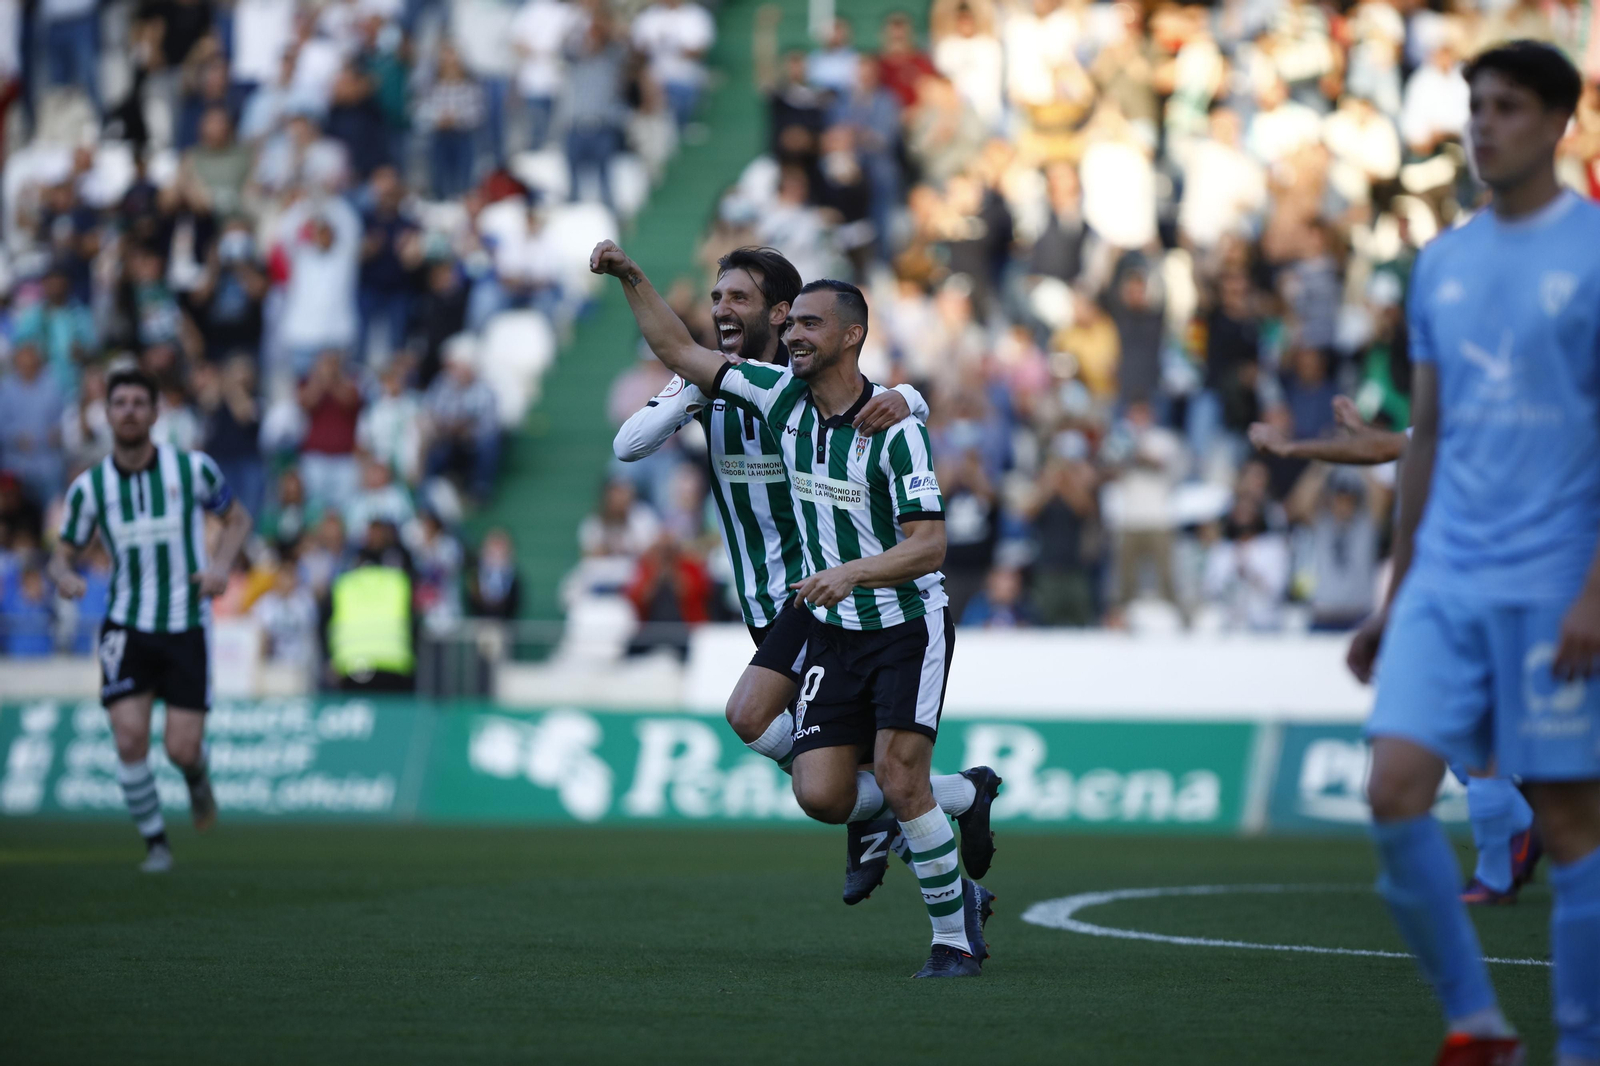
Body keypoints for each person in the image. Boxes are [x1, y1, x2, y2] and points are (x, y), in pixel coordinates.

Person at [594, 241, 1000, 978]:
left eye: (806, 321)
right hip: (811, 610)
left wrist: (911, 397)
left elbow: (929, 542)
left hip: (887, 613)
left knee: (895, 775)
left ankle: (952, 933)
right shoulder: (772, 395)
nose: (793, 335)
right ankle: (961, 797)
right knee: (819, 785)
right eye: (717, 299)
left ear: (840, 333)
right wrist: (632, 278)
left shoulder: (884, 423)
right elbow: (669, 363)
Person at [1342, 43, 1600, 1065]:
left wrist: (1593, 587)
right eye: (1474, 105)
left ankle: (1579, 1044)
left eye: (1505, 107)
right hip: (1447, 575)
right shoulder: (1441, 262)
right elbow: (1429, 440)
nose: (1482, 124)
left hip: (1551, 584)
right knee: (1392, 791)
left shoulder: (1589, 255)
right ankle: (1480, 1025)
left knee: (1573, 827)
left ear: (1556, 123)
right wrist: (1394, 595)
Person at [1254, 396, 1545, 906]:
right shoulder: (1478, 404)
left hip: (1501, 590)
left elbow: (1390, 451)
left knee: (1469, 740)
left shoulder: (1525, 410)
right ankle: (1516, 835)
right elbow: (1390, 447)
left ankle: (1502, 867)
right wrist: (1308, 442)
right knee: (1455, 733)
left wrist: (1295, 445)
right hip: (1471, 588)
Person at [48, 367, 254, 873]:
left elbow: (238, 518)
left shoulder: (192, 470)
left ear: (157, 413)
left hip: (185, 621)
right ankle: (156, 844)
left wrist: (222, 565)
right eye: (121, 403)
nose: (130, 411)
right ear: (107, 414)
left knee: (180, 747)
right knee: (128, 737)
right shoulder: (90, 487)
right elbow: (63, 552)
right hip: (126, 622)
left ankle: (196, 776)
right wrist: (64, 575)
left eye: (141, 402)